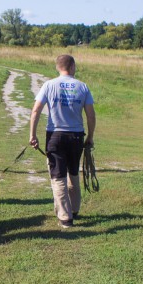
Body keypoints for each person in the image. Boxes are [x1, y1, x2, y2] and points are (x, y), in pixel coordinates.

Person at [29, 54, 96, 229]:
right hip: (76, 136)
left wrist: (32, 134)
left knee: (58, 176)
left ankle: (65, 218)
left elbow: (36, 110)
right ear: (72, 66)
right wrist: (90, 136)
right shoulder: (83, 87)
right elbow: (90, 114)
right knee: (73, 173)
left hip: (55, 136)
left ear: (58, 67)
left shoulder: (49, 85)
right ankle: (73, 209)